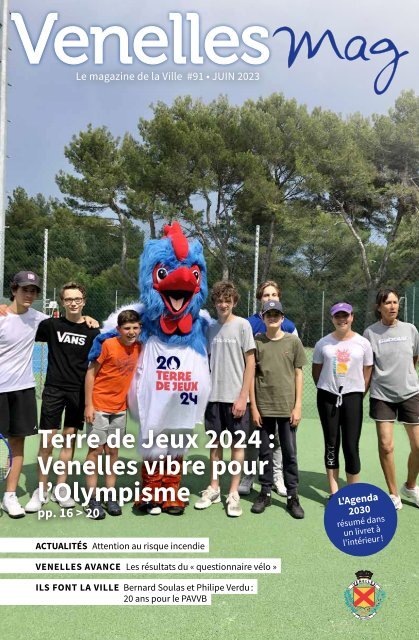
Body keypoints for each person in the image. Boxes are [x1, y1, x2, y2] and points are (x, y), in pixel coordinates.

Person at [25, 282, 100, 513]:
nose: (73, 302)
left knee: (69, 442)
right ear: (62, 302)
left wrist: (92, 319)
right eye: (68, 299)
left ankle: (61, 489)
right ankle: (41, 489)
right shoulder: (51, 325)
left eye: (77, 299)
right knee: (47, 442)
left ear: (84, 301)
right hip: (54, 390)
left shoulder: (92, 330)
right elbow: (25, 323)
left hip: (78, 392)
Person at [195, 281, 255, 517]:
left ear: (234, 302)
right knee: (215, 446)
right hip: (213, 399)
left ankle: (233, 493)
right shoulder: (209, 328)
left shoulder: (243, 326)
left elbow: (250, 362)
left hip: (236, 400)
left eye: (227, 301)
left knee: (237, 447)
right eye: (219, 301)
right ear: (215, 303)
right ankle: (214, 487)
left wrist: (243, 397)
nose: (223, 304)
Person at [240, 279, 298, 497]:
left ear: (279, 298)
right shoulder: (247, 325)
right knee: (254, 437)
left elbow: (294, 365)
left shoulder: (289, 326)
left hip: (281, 398)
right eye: (266, 295)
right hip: (256, 394)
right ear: (259, 299)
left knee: (279, 441)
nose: (270, 298)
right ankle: (248, 475)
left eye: (274, 295)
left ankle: (277, 476)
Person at [250, 300, 307, 518]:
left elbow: (298, 373)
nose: (272, 317)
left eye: (276, 314)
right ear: (262, 317)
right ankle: (265, 492)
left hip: (287, 409)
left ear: (283, 318)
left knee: (289, 454)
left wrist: (298, 406)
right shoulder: (256, 342)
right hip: (264, 408)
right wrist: (254, 408)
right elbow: (252, 376)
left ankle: (293, 496)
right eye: (268, 314)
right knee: (264, 452)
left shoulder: (293, 341)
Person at [363, 288, 419, 510]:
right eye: (387, 303)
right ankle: (393, 493)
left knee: (418, 446)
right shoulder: (370, 333)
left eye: (395, 302)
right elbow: (368, 366)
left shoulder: (411, 330)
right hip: (381, 396)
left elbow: (413, 358)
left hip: (410, 393)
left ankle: (410, 486)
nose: (393, 306)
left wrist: (404, 377)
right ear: (379, 307)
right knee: (386, 446)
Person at [84, 309, 142, 519]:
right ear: (118, 329)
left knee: (113, 452)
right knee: (95, 452)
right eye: (127, 328)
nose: (131, 332)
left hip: (120, 410)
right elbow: (91, 374)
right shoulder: (107, 345)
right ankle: (92, 498)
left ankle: (110, 496)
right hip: (99, 406)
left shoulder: (139, 347)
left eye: (135, 327)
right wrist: (88, 405)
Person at [312, 302, 373, 497]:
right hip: (327, 398)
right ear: (332, 319)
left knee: (351, 445)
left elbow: (367, 371)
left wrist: (356, 392)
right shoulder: (323, 343)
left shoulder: (363, 343)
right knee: (331, 443)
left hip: (353, 398)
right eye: (337, 316)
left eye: (345, 315)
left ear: (352, 317)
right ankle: (334, 492)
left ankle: (353, 492)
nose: (342, 319)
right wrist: (329, 389)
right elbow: (317, 372)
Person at [0, 272, 45, 517]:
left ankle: (10, 496)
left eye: (33, 290)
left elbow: (69, 323)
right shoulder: (2, 317)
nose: (30, 294)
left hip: (23, 390)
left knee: (18, 444)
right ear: (14, 289)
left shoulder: (38, 318)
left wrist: (89, 320)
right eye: (25, 289)